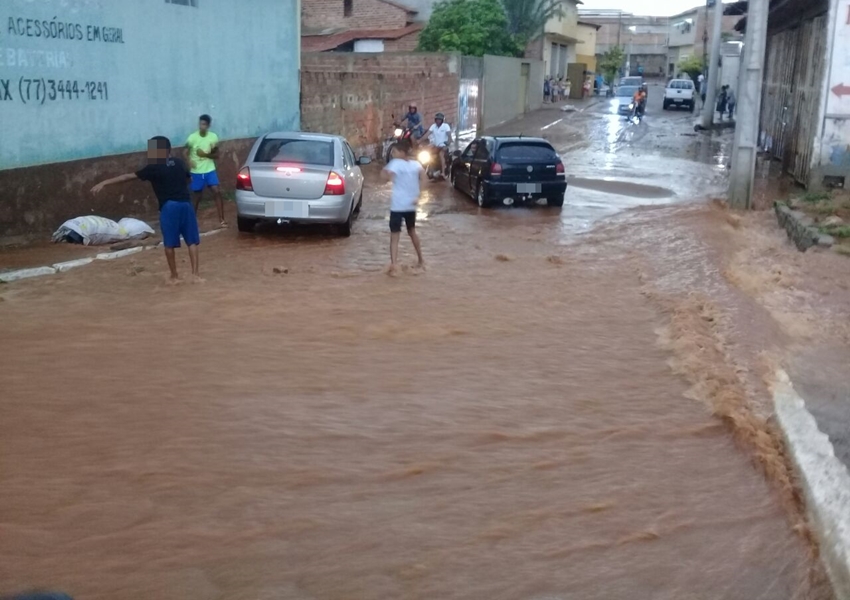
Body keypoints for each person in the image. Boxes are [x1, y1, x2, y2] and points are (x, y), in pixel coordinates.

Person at [91, 136, 202, 284]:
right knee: (192, 242)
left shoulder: (154, 167)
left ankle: (174, 276)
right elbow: (190, 180)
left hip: (169, 207)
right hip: (186, 204)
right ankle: (195, 275)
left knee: (169, 244)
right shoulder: (179, 162)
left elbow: (127, 177)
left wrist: (105, 182)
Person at [381, 140, 426, 274]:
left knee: (395, 236)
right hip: (410, 206)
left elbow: (382, 176)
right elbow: (424, 178)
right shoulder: (416, 164)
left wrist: (387, 174)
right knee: (412, 232)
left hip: (397, 206)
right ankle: (421, 260)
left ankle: (394, 265)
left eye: (394, 151)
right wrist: (418, 196)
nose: (393, 154)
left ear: (401, 152)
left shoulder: (395, 163)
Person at [425, 112, 453, 177]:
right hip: (435, 146)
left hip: (443, 146)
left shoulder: (446, 126)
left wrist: (447, 143)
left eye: (440, 119)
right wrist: (419, 141)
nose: (438, 121)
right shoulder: (433, 126)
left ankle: (443, 172)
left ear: (442, 120)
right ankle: (429, 167)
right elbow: (427, 134)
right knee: (426, 152)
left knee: (441, 155)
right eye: (437, 119)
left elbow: (449, 136)